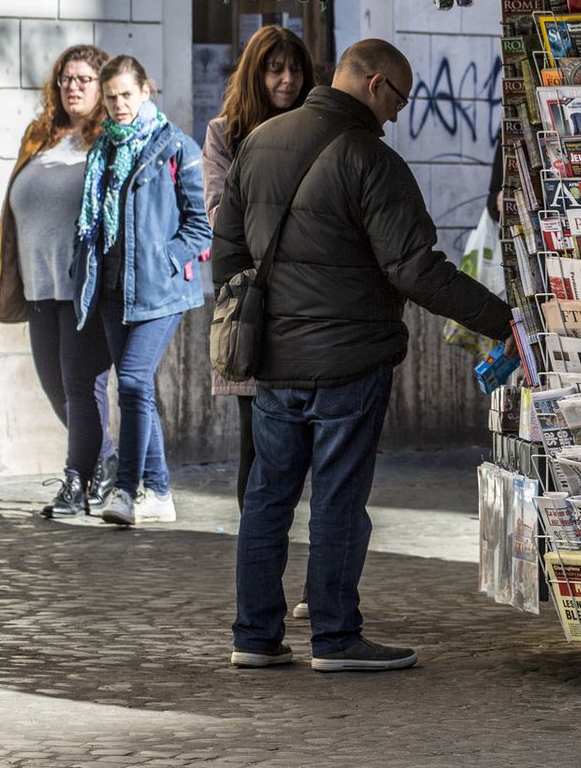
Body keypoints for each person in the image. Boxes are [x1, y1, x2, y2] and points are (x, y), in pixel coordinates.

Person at [213, 38, 513, 672]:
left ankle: (255, 636)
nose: (399, 115)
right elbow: (416, 271)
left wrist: (274, 316)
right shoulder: (369, 159)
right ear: (375, 84)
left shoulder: (259, 143)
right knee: (338, 498)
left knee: (268, 496)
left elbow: (228, 256)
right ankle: (335, 636)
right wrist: (506, 320)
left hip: (274, 360)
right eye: (399, 99)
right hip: (349, 359)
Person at [74, 55, 212, 527]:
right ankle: (159, 491)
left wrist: (165, 260)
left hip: (160, 291)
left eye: (126, 95)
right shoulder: (103, 150)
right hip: (113, 289)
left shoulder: (176, 146)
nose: (118, 105)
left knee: (132, 380)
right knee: (138, 390)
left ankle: (126, 489)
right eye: (110, 97)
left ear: (145, 92)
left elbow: (201, 226)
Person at [0, 45, 117, 518]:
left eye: (84, 79)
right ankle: (107, 466)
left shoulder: (109, 139)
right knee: (55, 387)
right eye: (66, 79)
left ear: (102, 87)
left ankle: (76, 482)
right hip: (38, 285)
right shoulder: (40, 136)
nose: (73, 87)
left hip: (84, 287)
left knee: (82, 390)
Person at [203, 25, 316, 513]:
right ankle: (256, 562)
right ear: (256, 74)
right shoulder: (224, 132)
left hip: (312, 301)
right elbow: (218, 215)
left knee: (312, 444)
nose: (287, 80)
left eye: (294, 70)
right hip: (251, 306)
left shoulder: (320, 130)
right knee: (256, 443)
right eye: (275, 70)